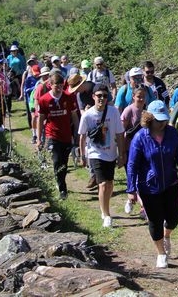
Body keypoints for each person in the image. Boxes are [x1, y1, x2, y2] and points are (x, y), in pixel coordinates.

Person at [126, 100, 178, 269]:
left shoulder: (172, 133)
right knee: (155, 220)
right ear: (149, 118)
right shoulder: (140, 137)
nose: (162, 123)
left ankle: (167, 235)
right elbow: (132, 165)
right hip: (149, 187)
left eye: (164, 119)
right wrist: (131, 189)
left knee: (174, 216)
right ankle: (161, 253)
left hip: (171, 182)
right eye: (158, 120)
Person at [78, 83, 125, 227]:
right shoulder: (87, 115)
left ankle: (104, 207)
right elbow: (82, 136)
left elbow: (119, 134)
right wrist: (82, 156)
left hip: (110, 153)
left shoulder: (114, 112)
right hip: (95, 153)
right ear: (93, 97)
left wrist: (122, 154)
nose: (102, 99)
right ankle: (106, 214)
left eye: (105, 96)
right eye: (99, 96)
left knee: (110, 184)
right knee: (103, 184)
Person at [36, 72, 80, 200]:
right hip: (52, 135)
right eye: (57, 86)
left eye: (61, 86)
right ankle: (62, 189)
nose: (59, 89)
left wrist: (77, 133)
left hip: (66, 135)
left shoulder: (68, 97)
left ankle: (61, 181)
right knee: (56, 161)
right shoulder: (44, 99)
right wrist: (39, 138)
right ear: (50, 85)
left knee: (64, 163)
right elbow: (40, 119)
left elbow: (74, 117)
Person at [121, 86, 147, 215]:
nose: (141, 99)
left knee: (140, 178)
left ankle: (143, 207)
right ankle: (131, 200)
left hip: (143, 150)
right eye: (138, 96)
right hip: (129, 149)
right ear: (133, 96)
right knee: (132, 177)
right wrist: (121, 151)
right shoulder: (128, 110)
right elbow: (121, 132)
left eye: (143, 96)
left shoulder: (146, 112)